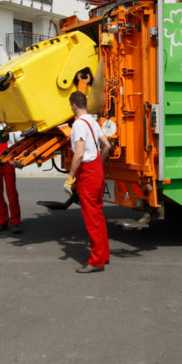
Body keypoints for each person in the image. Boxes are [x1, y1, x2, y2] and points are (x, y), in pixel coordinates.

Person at [65, 90, 111, 273]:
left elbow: (79, 154)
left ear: (74, 105)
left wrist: (70, 178)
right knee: (98, 215)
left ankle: (96, 261)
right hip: (97, 169)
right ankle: (103, 254)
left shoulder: (78, 125)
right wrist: (98, 164)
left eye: (70, 106)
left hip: (87, 173)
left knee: (91, 218)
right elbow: (107, 146)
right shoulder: (93, 121)